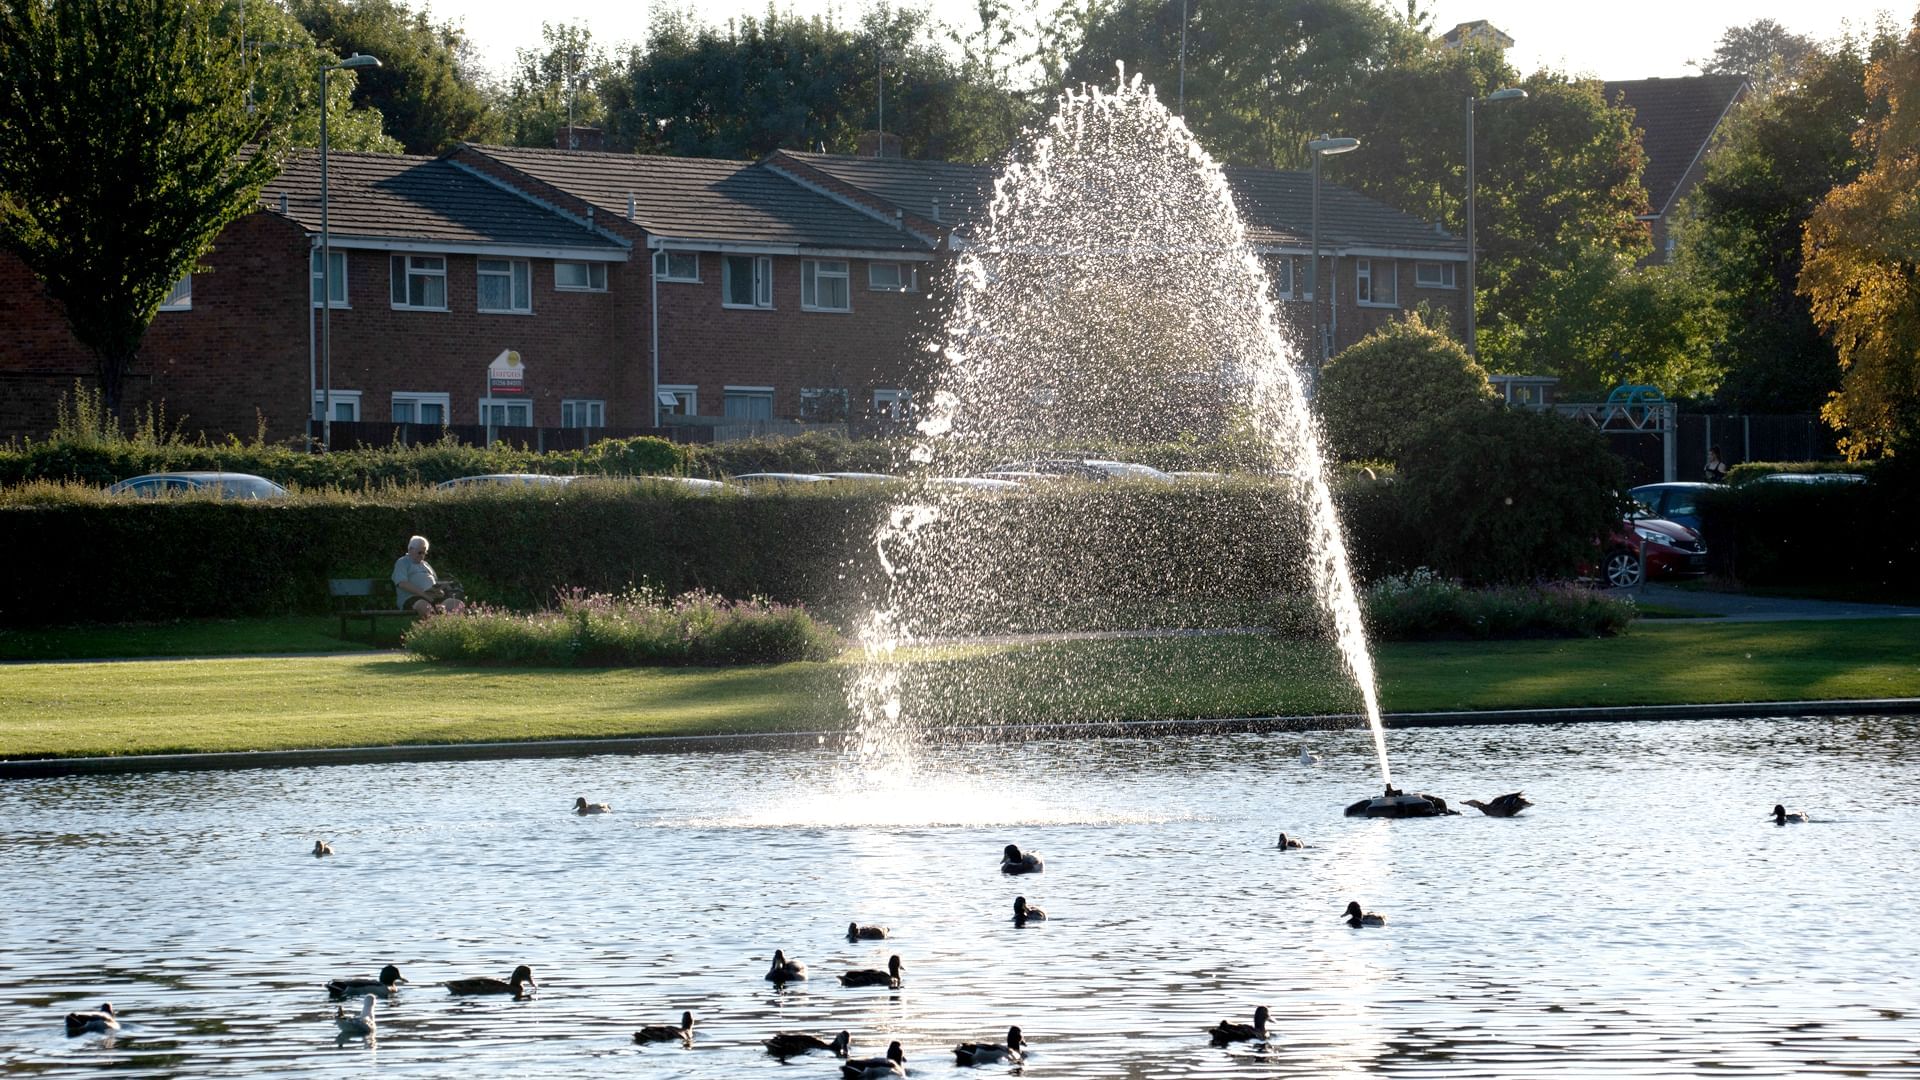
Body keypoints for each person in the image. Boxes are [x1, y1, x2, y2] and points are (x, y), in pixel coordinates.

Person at [393, 535, 464, 616]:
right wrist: (425, 595)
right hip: (413, 598)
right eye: (420, 552)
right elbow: (402, 584)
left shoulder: (426, 564)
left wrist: (439, 589)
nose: (422, 555)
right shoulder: (402, 562)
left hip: (433, 597)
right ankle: (436, 623)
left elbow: (435, 582)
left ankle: (447, 623)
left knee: (457, 604)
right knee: (425, 606)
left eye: (424, 553)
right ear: (410, 550)